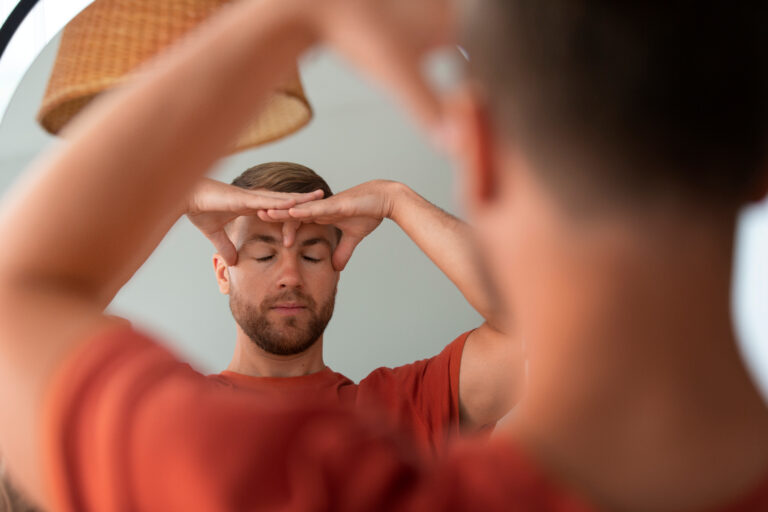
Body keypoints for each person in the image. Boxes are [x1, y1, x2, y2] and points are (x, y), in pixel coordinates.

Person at [0, 0, 767, 511]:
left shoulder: (220, 454)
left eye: (313, 248)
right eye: (261, 250)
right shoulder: (208, 421)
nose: (290, 272)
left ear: (480, 152)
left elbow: (15, 300)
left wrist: (291, 17)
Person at [185, 162, 516, 454]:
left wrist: (394, 199)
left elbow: (532, 327)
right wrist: (181, 199)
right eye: (265, 256)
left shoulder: (406, 409)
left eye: (311, 257)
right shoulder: (180, 413)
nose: (291, 277)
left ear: (336, 271)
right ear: (223, 274)